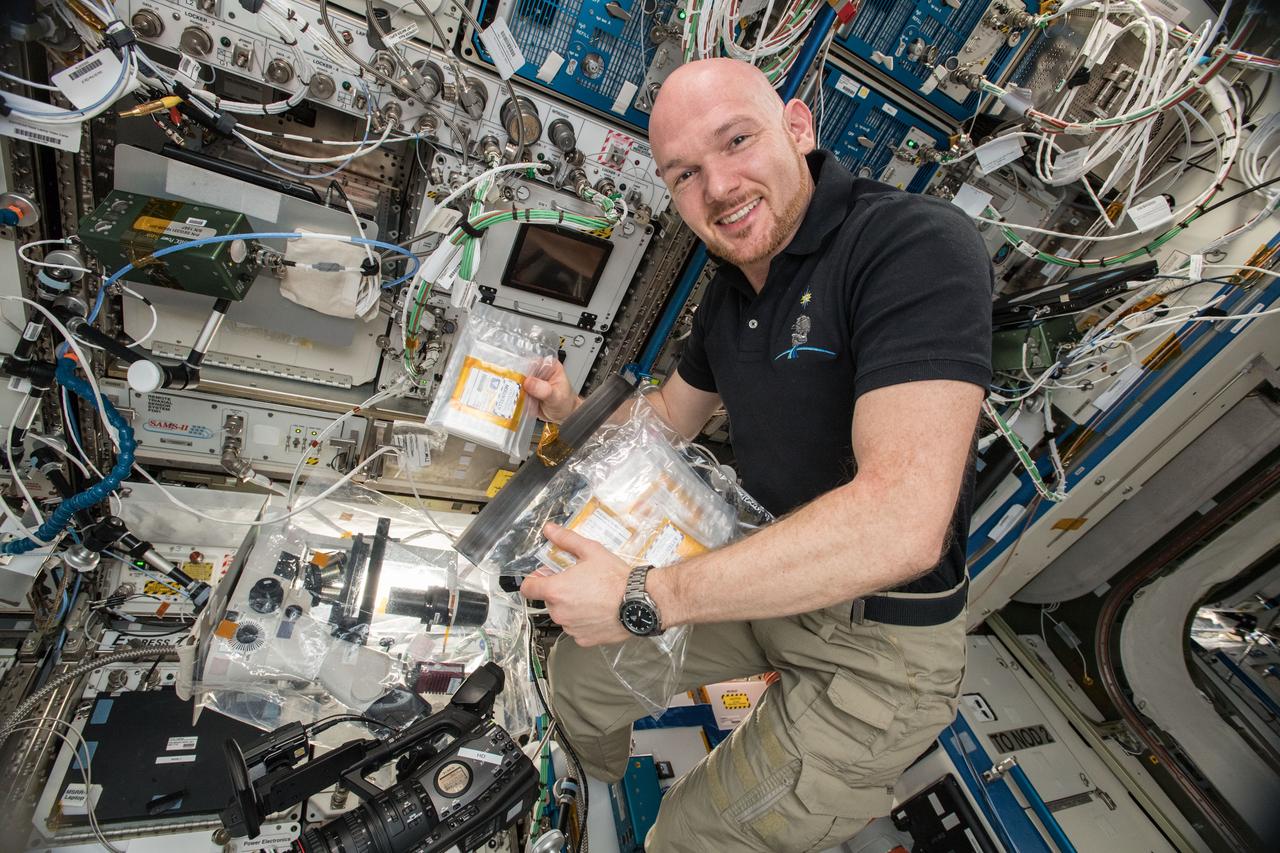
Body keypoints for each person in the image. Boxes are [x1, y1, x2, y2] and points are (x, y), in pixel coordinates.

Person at [519, 57, 992, 851]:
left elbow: (901, 523)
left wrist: (646, 593)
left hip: (879, 646)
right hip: (765, 572)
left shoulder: (912, 245)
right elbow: (665, 420)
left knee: (686, 836)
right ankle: (589, 794)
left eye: (737, 141)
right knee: (577, 677)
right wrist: (568, 412)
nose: (720, 186)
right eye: (685, 173)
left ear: (799, 128)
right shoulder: (732, 291)